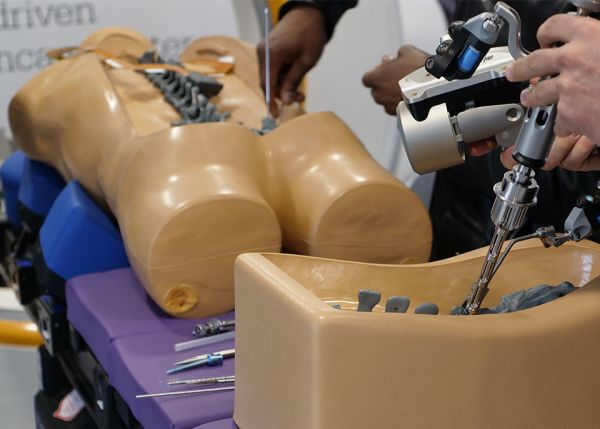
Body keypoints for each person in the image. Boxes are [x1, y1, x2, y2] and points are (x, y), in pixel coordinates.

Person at [258, 0, 600, 260]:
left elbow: (575, 160)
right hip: (465, 218)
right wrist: (313, 9)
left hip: (568, 247)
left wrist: (446, 97)